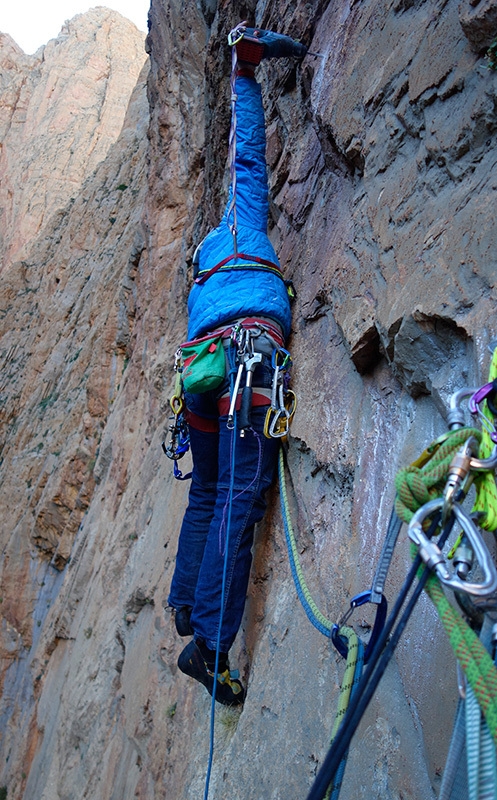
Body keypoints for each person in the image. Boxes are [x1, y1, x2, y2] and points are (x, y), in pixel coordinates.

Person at [167, 26, 307, 706]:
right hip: (249, 359)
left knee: (205, 489)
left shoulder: (201, 267)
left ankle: (184, 603)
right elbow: (245, 159)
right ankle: (210, 647)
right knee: (234, 499)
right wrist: (243, 74)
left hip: (200, 372)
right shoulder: (244, 220)